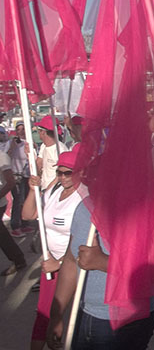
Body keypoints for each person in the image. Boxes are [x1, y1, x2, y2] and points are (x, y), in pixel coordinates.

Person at [46, 201, 154, 349]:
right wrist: (56, 314)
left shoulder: (147, 205)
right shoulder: (84, 207)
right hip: (86, 312)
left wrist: (103, 262)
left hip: (123, 320)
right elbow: (70, 260)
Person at [23, 149, 83, 350]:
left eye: (69, 173)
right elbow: (28, 214)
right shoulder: (53, 190)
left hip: (75, 267)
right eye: (60, 172)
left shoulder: (85, 196)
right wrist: (33, 190)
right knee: (44, 314)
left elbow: (86, 238)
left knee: (77, 317)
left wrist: (59, 263)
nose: (64, 177)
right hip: (51, 264)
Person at [0, 148, 26, 277]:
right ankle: (18, 259)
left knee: (2, 235)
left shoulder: (2, 156)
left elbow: (10, 183)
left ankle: (18, 260)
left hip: (0, 202)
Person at [8, 122, 31, 237]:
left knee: (26, 199)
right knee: (18, 200)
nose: (21, 131)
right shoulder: (12, 143)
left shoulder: (29, 143)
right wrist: (13, 145)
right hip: (17, 175)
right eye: (19, 129)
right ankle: (15, 225)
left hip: (27, 175)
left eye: (23, 129)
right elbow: (8, 155)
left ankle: (24, 223)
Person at [34, 116, 69, 189]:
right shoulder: (43, 146)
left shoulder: (61, 150)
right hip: (44, 188)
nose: (38, 132)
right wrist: (30, 155)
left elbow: (61, 175)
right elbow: (38, 165)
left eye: (39, 130)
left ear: (43, 132)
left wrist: (47, 191)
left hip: (55, 190)